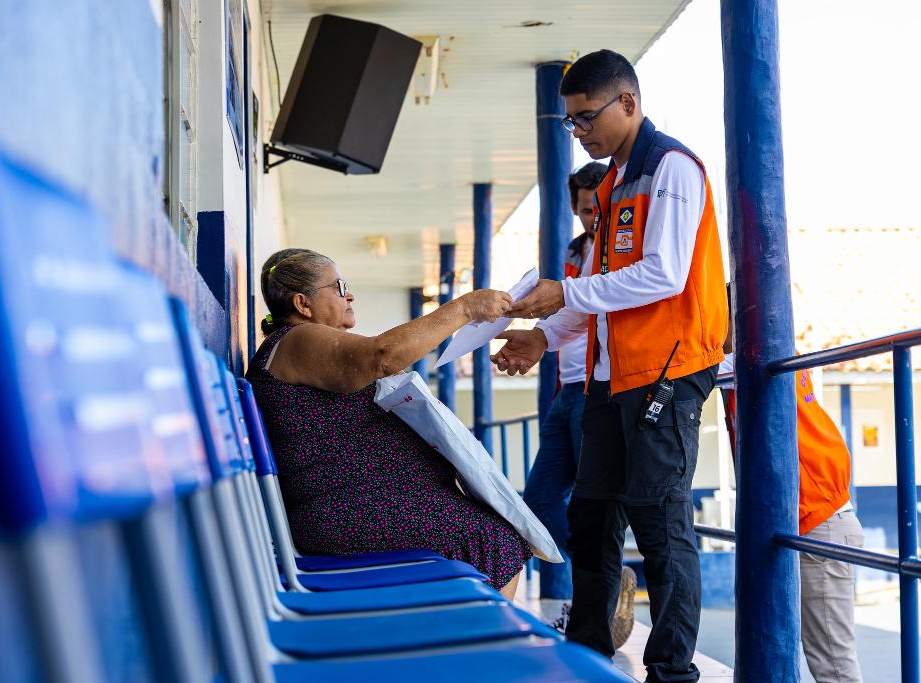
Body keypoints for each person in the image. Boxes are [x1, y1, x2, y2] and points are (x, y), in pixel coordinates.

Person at [492, 49, 727, 682]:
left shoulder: (670, 168)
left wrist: (563, 295)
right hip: (607, 378)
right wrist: (544, 338)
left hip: (665, 377)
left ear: (628, 103)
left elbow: (662, 275)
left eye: (585, 118)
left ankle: (672, 671)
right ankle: (589, 647)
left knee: (660, 525)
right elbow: (598, 282)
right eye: (570, 122)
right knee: (591, 516)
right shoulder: (612, 183)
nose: (579, 133)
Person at [245, 248, 532, 598]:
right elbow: (383, 355)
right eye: (339, 286)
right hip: (340, 513)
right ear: (303, 304)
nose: (349, 294)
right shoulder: (296, 339)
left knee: (495, 533)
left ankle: (475, 639)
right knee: (488, 540)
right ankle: (484, 645)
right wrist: (465, 308)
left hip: (357, 505)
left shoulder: (308, 346)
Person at [522, 161, 637, 648]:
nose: (593, 216)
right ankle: (608, 580)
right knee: (539, 503)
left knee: (592, 509)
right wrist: (532, 331)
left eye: (599, 207)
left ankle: (595, 593)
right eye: (587, 209)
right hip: (565, 391)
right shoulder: (578, 251)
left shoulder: (620, 250)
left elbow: (604, 308)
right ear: (575, 208)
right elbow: (567, 312)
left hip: (597, 388)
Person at [720, 355, 864, 683]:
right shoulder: (752, 362)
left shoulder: (756, 358)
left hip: (819, 521)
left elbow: (699, 364)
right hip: (803, 520)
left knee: (832, 660)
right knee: (794, 646)